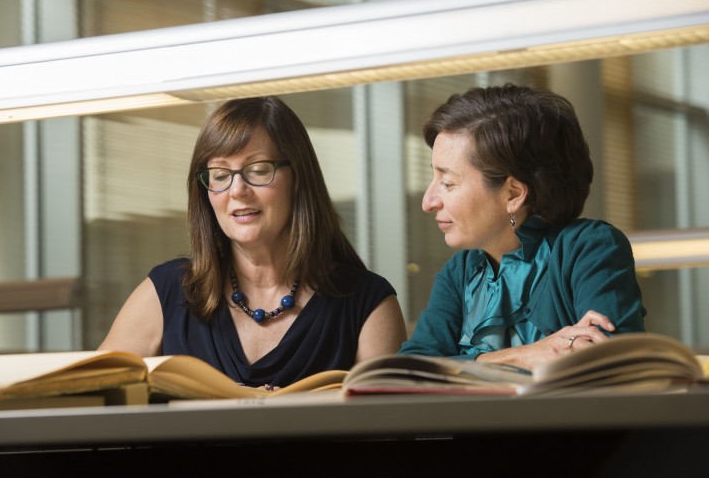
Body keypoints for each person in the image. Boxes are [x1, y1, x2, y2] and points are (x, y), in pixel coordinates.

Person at [100, 96, 407, 388]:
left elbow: (385, 436)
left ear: (299, 178)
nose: (237, 190)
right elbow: (86, 397)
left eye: (259, 170)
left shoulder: (369, 304)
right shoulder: (165, 292)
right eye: (219, 175)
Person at [399, 83, 646, 370]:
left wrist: (458, 364)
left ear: (514, 194)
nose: (428, 202)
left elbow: (610, 363)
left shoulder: (589, 247)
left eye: (447, 183)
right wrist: (521, 355)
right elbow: (410, 367)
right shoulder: (461, 271)